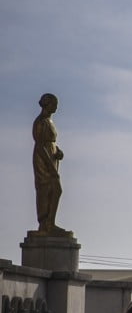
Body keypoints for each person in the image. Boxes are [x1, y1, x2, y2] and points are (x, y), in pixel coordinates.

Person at [32, 93, 66, 235]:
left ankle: (50, 223)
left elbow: (51, 142)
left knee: (54, 190)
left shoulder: (49, 122)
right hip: (43, 160)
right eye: (54, 104)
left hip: (51, 157)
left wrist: (57, 151)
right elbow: (40, 145)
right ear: (48, 104)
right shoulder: (40, 121)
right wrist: (51, 167)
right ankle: (45, 224)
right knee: (47, 189)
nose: (56, 107)